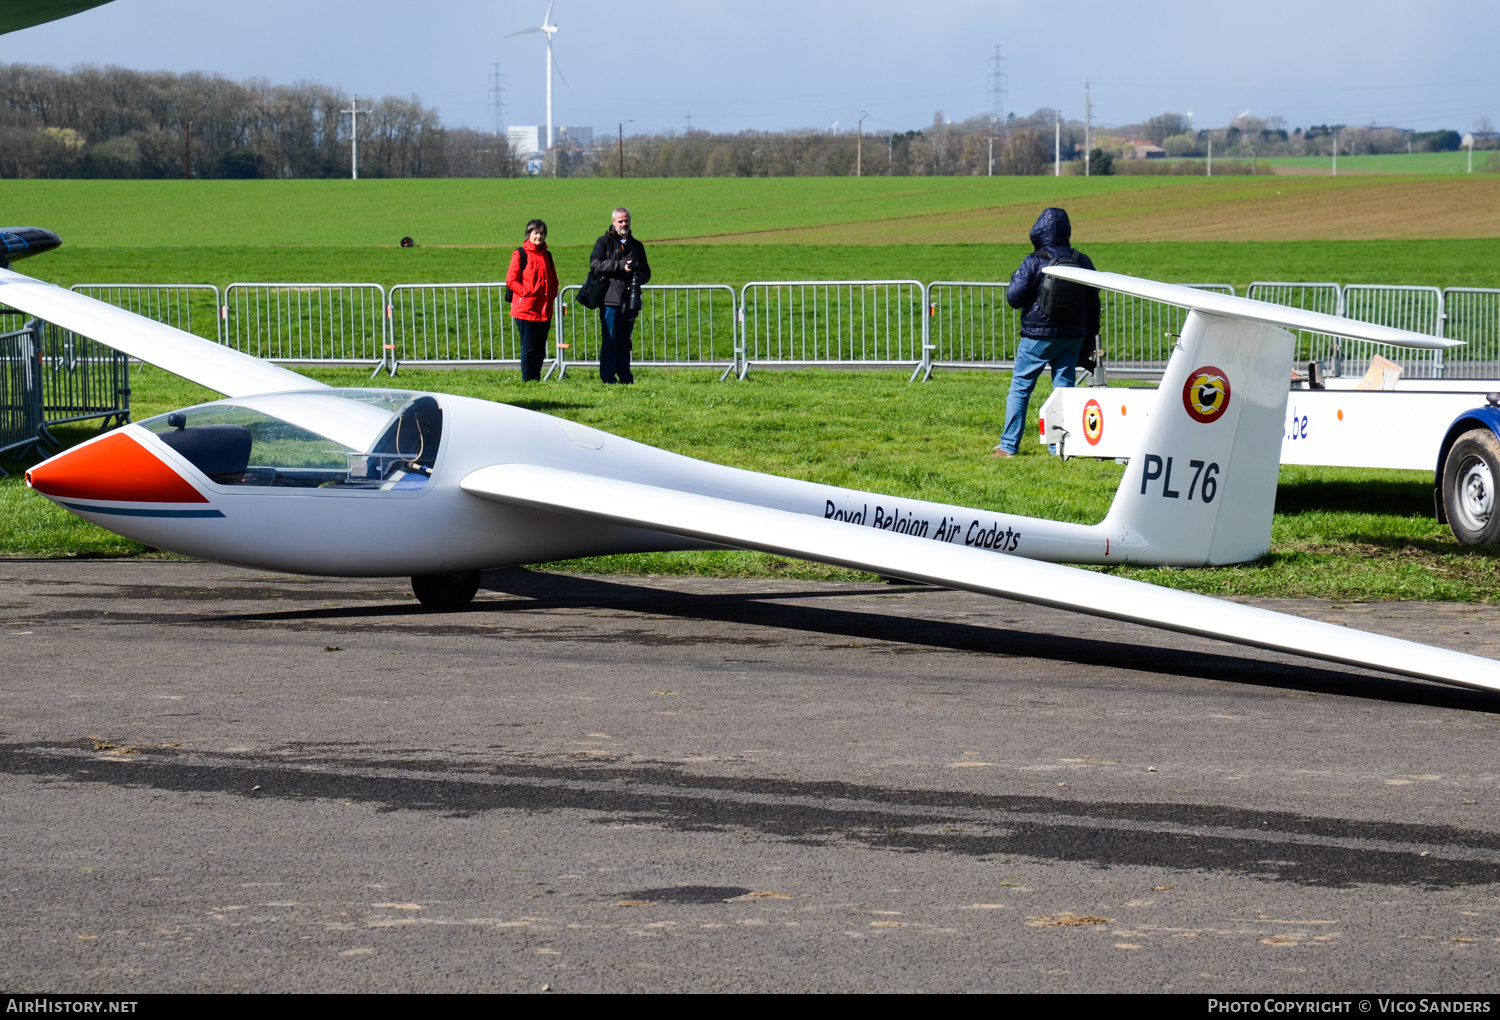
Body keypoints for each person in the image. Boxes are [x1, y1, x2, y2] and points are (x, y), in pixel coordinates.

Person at [993, 207, 1101, 458]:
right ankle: (1059, 447)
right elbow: (1093, 303)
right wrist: (1089, 339)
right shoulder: (1082, 260)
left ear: (1039, 230)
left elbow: (1014, 299)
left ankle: (1008, 447)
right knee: (1063, 391)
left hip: (1037, 337)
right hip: (1072, 336)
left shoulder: (1033, 260)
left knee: (1020, 388)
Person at [589, 207, 651, 384]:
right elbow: (595, 264)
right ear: (613, 222)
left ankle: (625, 377)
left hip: (630, 301)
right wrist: (620, 266)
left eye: (626, 220)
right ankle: (608, 377)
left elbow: (647, 273)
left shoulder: (636, 246)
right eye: (620, 221)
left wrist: (637, 273)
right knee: (610, 340)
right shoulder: (604, 242)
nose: (624, 224)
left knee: (625, 342)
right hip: (610, 299)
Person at [505, 218, 559, 382]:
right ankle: (528, 380)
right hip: (525, 310)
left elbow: (553, 280)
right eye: (535, 233)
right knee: (528, 347)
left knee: (539, 348)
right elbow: (511, 280)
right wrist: (525, 292)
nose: (539, 236)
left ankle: (535, 379)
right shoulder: (520, 254)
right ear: (528, 234)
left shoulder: (547, 255)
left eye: (542, 233)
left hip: (543, 310)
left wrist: (552, 295)